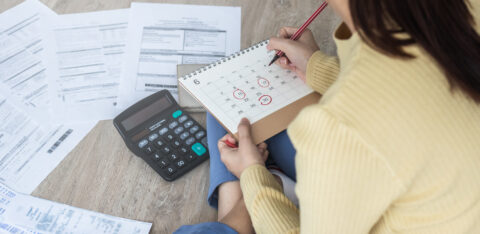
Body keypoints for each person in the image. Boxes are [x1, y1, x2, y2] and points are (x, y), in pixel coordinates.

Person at [175, 0, 480, 233]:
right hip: (439, 189)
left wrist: (254, 177)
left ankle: (238, 212)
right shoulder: (458, 11)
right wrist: (317, 67)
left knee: (234, 123)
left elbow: (371, 114)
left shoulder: (338, 128)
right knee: (230, 112)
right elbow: (409, 93)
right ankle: (239, 207)